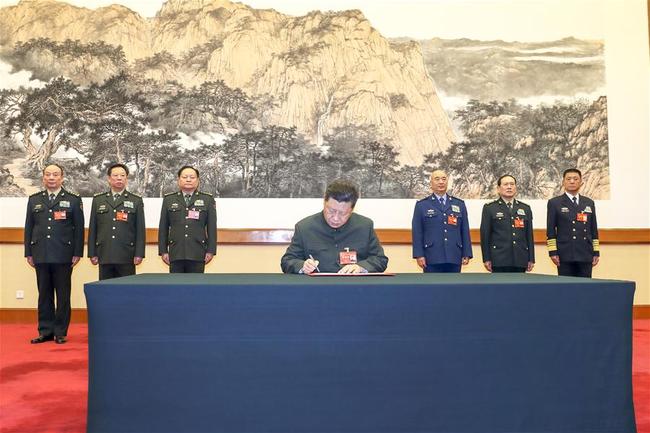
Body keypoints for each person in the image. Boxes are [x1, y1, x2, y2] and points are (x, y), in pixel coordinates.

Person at [24, 164, 84, 344]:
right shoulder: (34, 200)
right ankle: (45, 330)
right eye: (48, 174)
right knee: (44, 294)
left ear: (62, 178)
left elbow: (79, 229)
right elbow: (29, 227)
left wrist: (77, 252)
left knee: (63, 294)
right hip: (40, 253)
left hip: (63, 254)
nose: (51, 177)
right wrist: (28, 252)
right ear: (43, 177)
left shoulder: (73, 200)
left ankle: (60, 331)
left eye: (55, 174)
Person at [281, 179, 388, 274]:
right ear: (324, 202)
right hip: (317, 289)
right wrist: (302, 266)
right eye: (331, 211)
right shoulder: (305, 227)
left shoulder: (364, 226)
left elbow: (380, 259)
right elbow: (287, 261)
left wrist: (361, 268)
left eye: (343, 213)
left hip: (356, 289)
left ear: (352, 210)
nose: (335, 218)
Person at [88, 163, 145, 280]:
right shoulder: (98, 200)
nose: (119, 178)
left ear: (126, 179)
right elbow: (93, 228)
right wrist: (92, 253)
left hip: (126, 254)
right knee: (105, 292)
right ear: (109, 179)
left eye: (122, 175)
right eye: (115, 175)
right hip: (104, 253)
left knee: (126, 291)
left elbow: (140, 229)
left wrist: (139, 253)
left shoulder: (136, 200)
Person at [159, 165, 216, 273]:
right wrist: (163, 251)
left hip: (198, 251)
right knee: (175, 287)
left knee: (196, 287)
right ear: (178, 180)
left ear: (198, 180)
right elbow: (163, 227)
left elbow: (212, 227)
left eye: (192, 177)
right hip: (176, 251)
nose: (188, 179)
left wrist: (211, 250)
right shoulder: (169, 199)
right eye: (185, 177)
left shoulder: (207, 199)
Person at [412, 169, 472, 273]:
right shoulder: (422, 205)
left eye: (444, 179)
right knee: (432, 288)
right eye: (437, 179)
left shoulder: (459, 204)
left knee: (454, 287)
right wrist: (419, 254)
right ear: (431, 183)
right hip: (431, 256)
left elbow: (464, 230)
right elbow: (417, 232)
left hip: (454, 255)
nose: (441, 182)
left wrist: (466, 253)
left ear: (447, 182)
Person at [546, 168, 599, 277]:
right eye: (568, 179)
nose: (572, 181)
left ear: (581, 182)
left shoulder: (589, 203)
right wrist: (553, 252)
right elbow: (551, 230)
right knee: (567, 288)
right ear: (563, 182)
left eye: (575, 179)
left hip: (585, 252)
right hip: (565, 253)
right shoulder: (555, 203)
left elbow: (593, 229)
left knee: (585, 288)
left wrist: (596, 252)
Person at [479, 174, 534, 273]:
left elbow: (529, 235)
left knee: (520, 288)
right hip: (499, 259)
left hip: (520, 258)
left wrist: (531, 258)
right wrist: (486, 258)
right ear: (498, 189)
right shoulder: (490, 208)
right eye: (506, 184)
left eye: (512, 184)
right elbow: (485, 235)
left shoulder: (525, 208)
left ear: (515, 188)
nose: (509, 187)